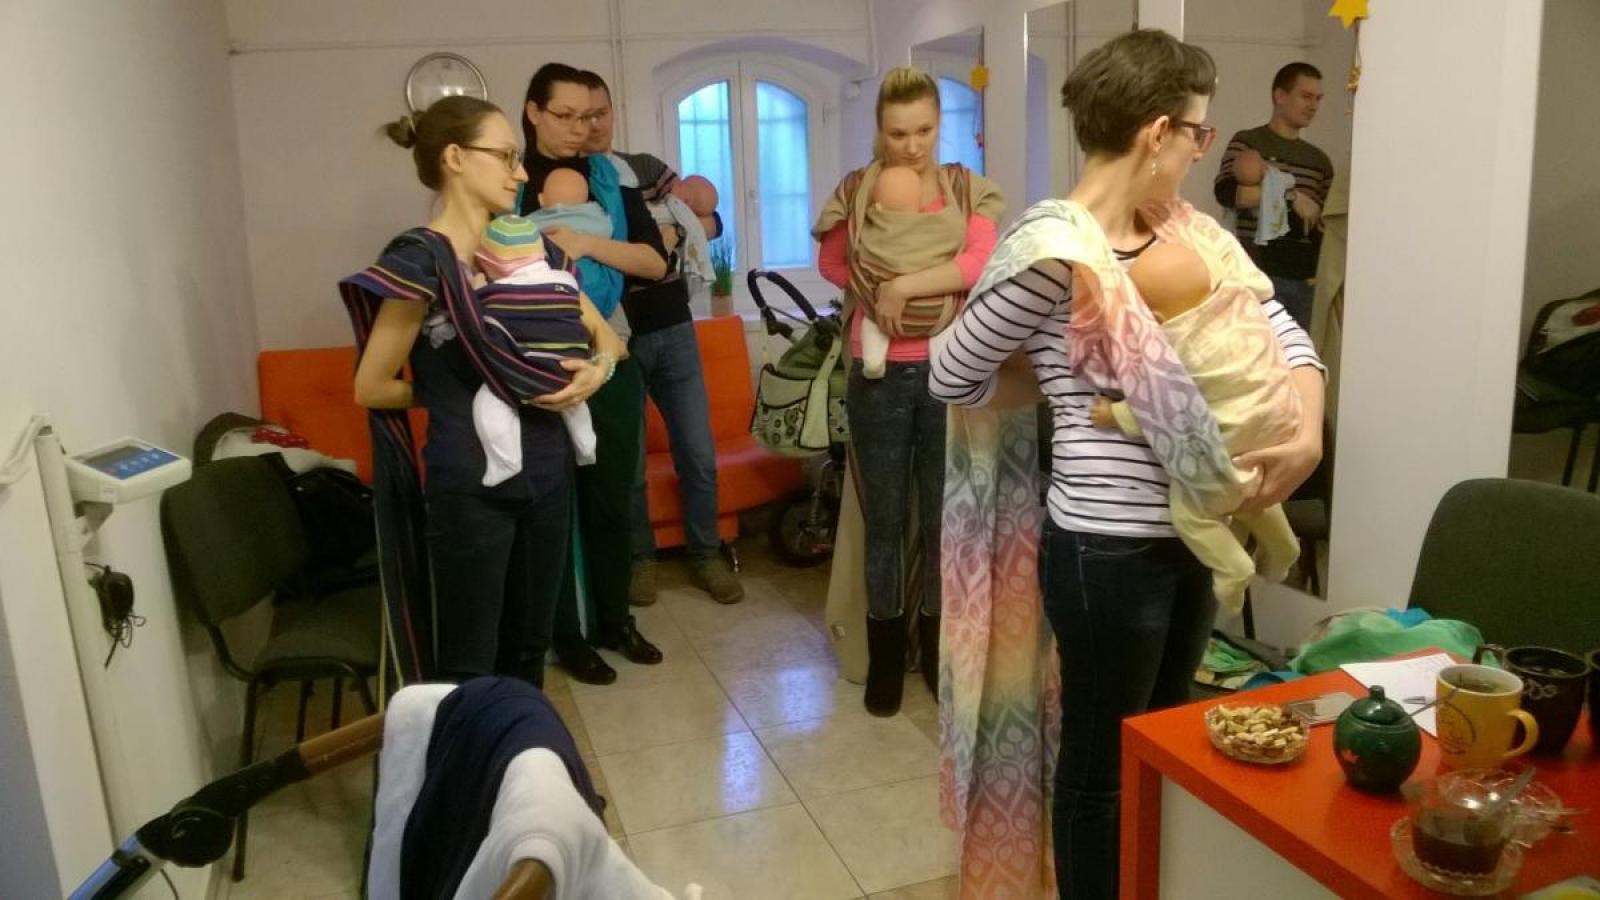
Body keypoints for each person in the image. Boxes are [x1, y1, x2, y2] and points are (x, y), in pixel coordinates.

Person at [930, 30, 1324, 898]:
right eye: (1198, 131)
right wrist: (1064, 375)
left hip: (1199, 528)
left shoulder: (1189, 230)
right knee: (1102, 768)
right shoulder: (1054, 255)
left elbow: (1281, 329)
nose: (1201, 148)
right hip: (1106, 549)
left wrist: (1307, 430)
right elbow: (952, 373)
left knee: (1168, 739)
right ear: (1157, 133)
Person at [341, 96, 622, 688]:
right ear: (455, 158)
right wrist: (445, 393)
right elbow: (371, 387)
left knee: (530, 648)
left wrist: (595, 372)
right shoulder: (420, 261)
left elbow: (609, 340)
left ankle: (521, 747)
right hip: (471, 489)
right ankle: (477, 750)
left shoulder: (534, 252)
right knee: (469, 662)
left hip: (548, 475)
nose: (520, 174)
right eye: (506, 157)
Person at [814, 66, 1004, 717]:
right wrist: (879, 284)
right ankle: (886, 661)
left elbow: (981, 262)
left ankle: (938, 652)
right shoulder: (858, 191)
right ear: (879, 130)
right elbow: (831, 262)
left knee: (944, 520)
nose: (912, 145)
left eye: (923, 130)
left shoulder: (964, 188)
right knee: (886, 522)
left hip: (951, 371)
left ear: (938, 125)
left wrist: (904, 286)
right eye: (898, 133)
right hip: (878, 377)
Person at [518, 63, 667, 685]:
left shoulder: (611, 179)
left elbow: (654, 262)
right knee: (550, 510)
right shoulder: (511, 178)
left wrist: (583, 244)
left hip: (610, 358)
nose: (579, 129)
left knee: (611, 499)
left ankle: (612, 619)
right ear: (533, 111)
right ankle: (564, 635)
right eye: (564, 116)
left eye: (588, 116)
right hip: (535, 365)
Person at [574, 71, 744, 608]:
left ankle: (706, 553)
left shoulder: (643, 168)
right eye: (582, 115)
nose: (593, 124)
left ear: (612, 113)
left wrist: (674, 230)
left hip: (674, 329)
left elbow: (710, 220)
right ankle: (640, 559)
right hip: (615, 339)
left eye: (601, 112)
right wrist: (651, 239)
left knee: (698, 453)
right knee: (627, 466)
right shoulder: (569, 185)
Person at [1087, 240, 1304, 614]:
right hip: (1276, 429)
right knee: (1255, 497)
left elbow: (1159, 407)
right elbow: (1263, 290)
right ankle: (1284, 548)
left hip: (1225, 452)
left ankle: (1233, 570)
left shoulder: (1172, 350)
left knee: (1193, 514)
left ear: (1155, 317)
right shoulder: (1239, 301)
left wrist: (1113, 414)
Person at [472, 214, 600, 480]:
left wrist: (478, 288)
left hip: (528, 371)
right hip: (571, 367)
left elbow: (477, 312)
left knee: (491, 402)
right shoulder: (566, 281)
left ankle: (506, 462)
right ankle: (587, 446)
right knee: (574, 405)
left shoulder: (498, 292)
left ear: (488, 264)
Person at [1213, 62, 1333, 330]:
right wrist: (1292, 197)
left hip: (1303, 278)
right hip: (1254, 269)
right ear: (1280, 95)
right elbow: (1229, 194)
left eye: (1318, 99)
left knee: (1299, 350)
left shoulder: (1319, 161)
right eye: (1306, 96)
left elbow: (1321, 221)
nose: (1313, 106)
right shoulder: (1248, 143)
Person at [847, 165, 971, 379]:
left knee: (872, 321)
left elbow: (838, 265)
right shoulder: (939, 224)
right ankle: (943, 363)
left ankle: (874, 362)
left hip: (882, 314)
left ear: (877, 205)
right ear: (919, 203)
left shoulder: (868, 227)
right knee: (947, 324)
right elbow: (968, 253)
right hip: (935, 313)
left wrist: (874, 286)